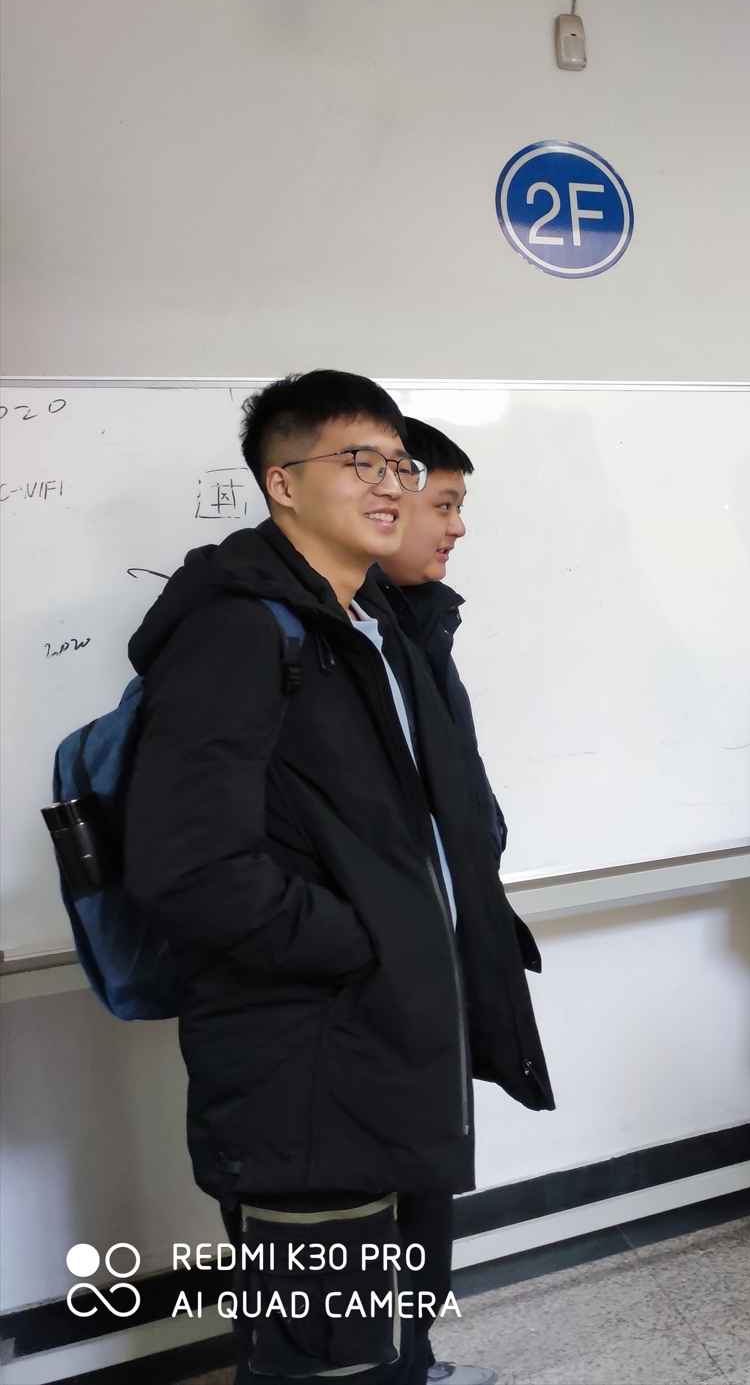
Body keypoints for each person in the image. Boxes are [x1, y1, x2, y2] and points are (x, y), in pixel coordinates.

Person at [125, 372, 552, 1385]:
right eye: (359, 460)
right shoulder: (239, 630)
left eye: (398, 462)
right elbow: (190, 868)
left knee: (393, 1323)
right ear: (282, 482)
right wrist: (369, 941)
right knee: (325, 1358)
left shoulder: (369, 627)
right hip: (306, 1068)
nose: (389, 483)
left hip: (391, 1046)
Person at [375, 418, 508, 858]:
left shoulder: (424, 617)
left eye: (458, 508)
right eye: (444, 507)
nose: (458, 527)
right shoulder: (354, 633)